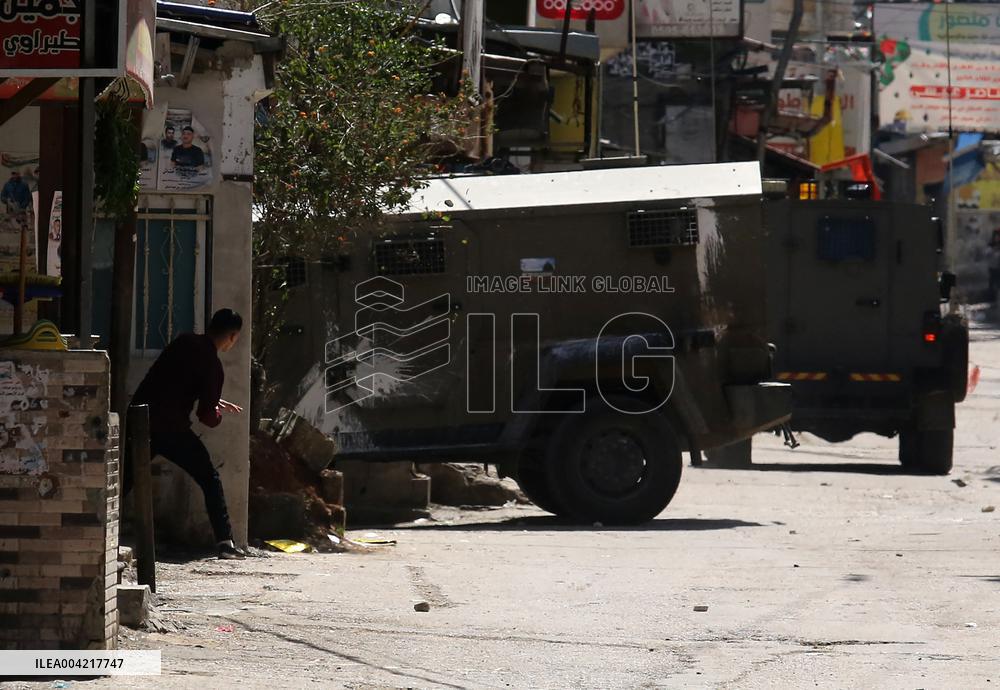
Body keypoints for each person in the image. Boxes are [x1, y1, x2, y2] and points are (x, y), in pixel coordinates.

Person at [128, 309, 246, 559]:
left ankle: (96, 525)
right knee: (209, 479)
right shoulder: (213, 365)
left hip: (140, 421)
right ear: (232, 336)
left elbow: (172, 379)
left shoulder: (183, 341)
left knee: (125, 477)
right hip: (172, 430)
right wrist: (216, 410)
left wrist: (213, 399)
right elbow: (207, 416)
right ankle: (225, 542)